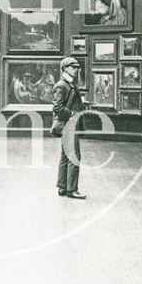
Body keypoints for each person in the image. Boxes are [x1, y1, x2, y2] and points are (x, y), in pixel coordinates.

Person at [53, 57, 87, 200]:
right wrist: (72, 114)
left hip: (69, 124)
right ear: (65, 69)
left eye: (77, 67)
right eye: (73, 67)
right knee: (73, 156)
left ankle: (62, 187)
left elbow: (69, 102)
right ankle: (71, 189)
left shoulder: (69, 84)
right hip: (69, 124)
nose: (76, 69)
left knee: (65, 156)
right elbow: (57, 107)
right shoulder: (62, 85)